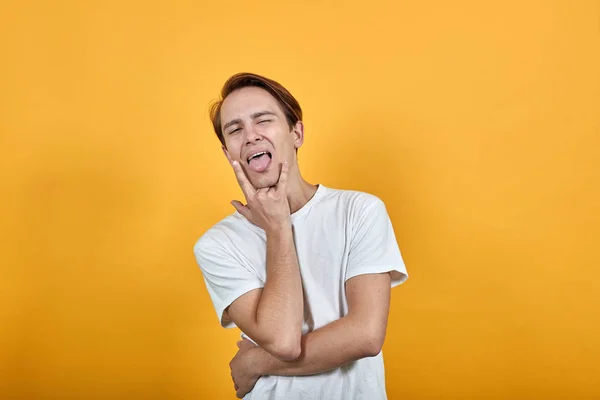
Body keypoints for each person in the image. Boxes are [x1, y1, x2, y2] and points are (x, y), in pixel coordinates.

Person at [193, 72, 408, 399]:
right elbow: (283, 340)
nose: (251, 136)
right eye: (235, 129)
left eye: (263, 120)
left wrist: (256, 362)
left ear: (297, 133)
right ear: (228, 153)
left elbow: (365, 335)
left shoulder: (359, 211)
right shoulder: (217, 244)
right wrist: (278, 227)